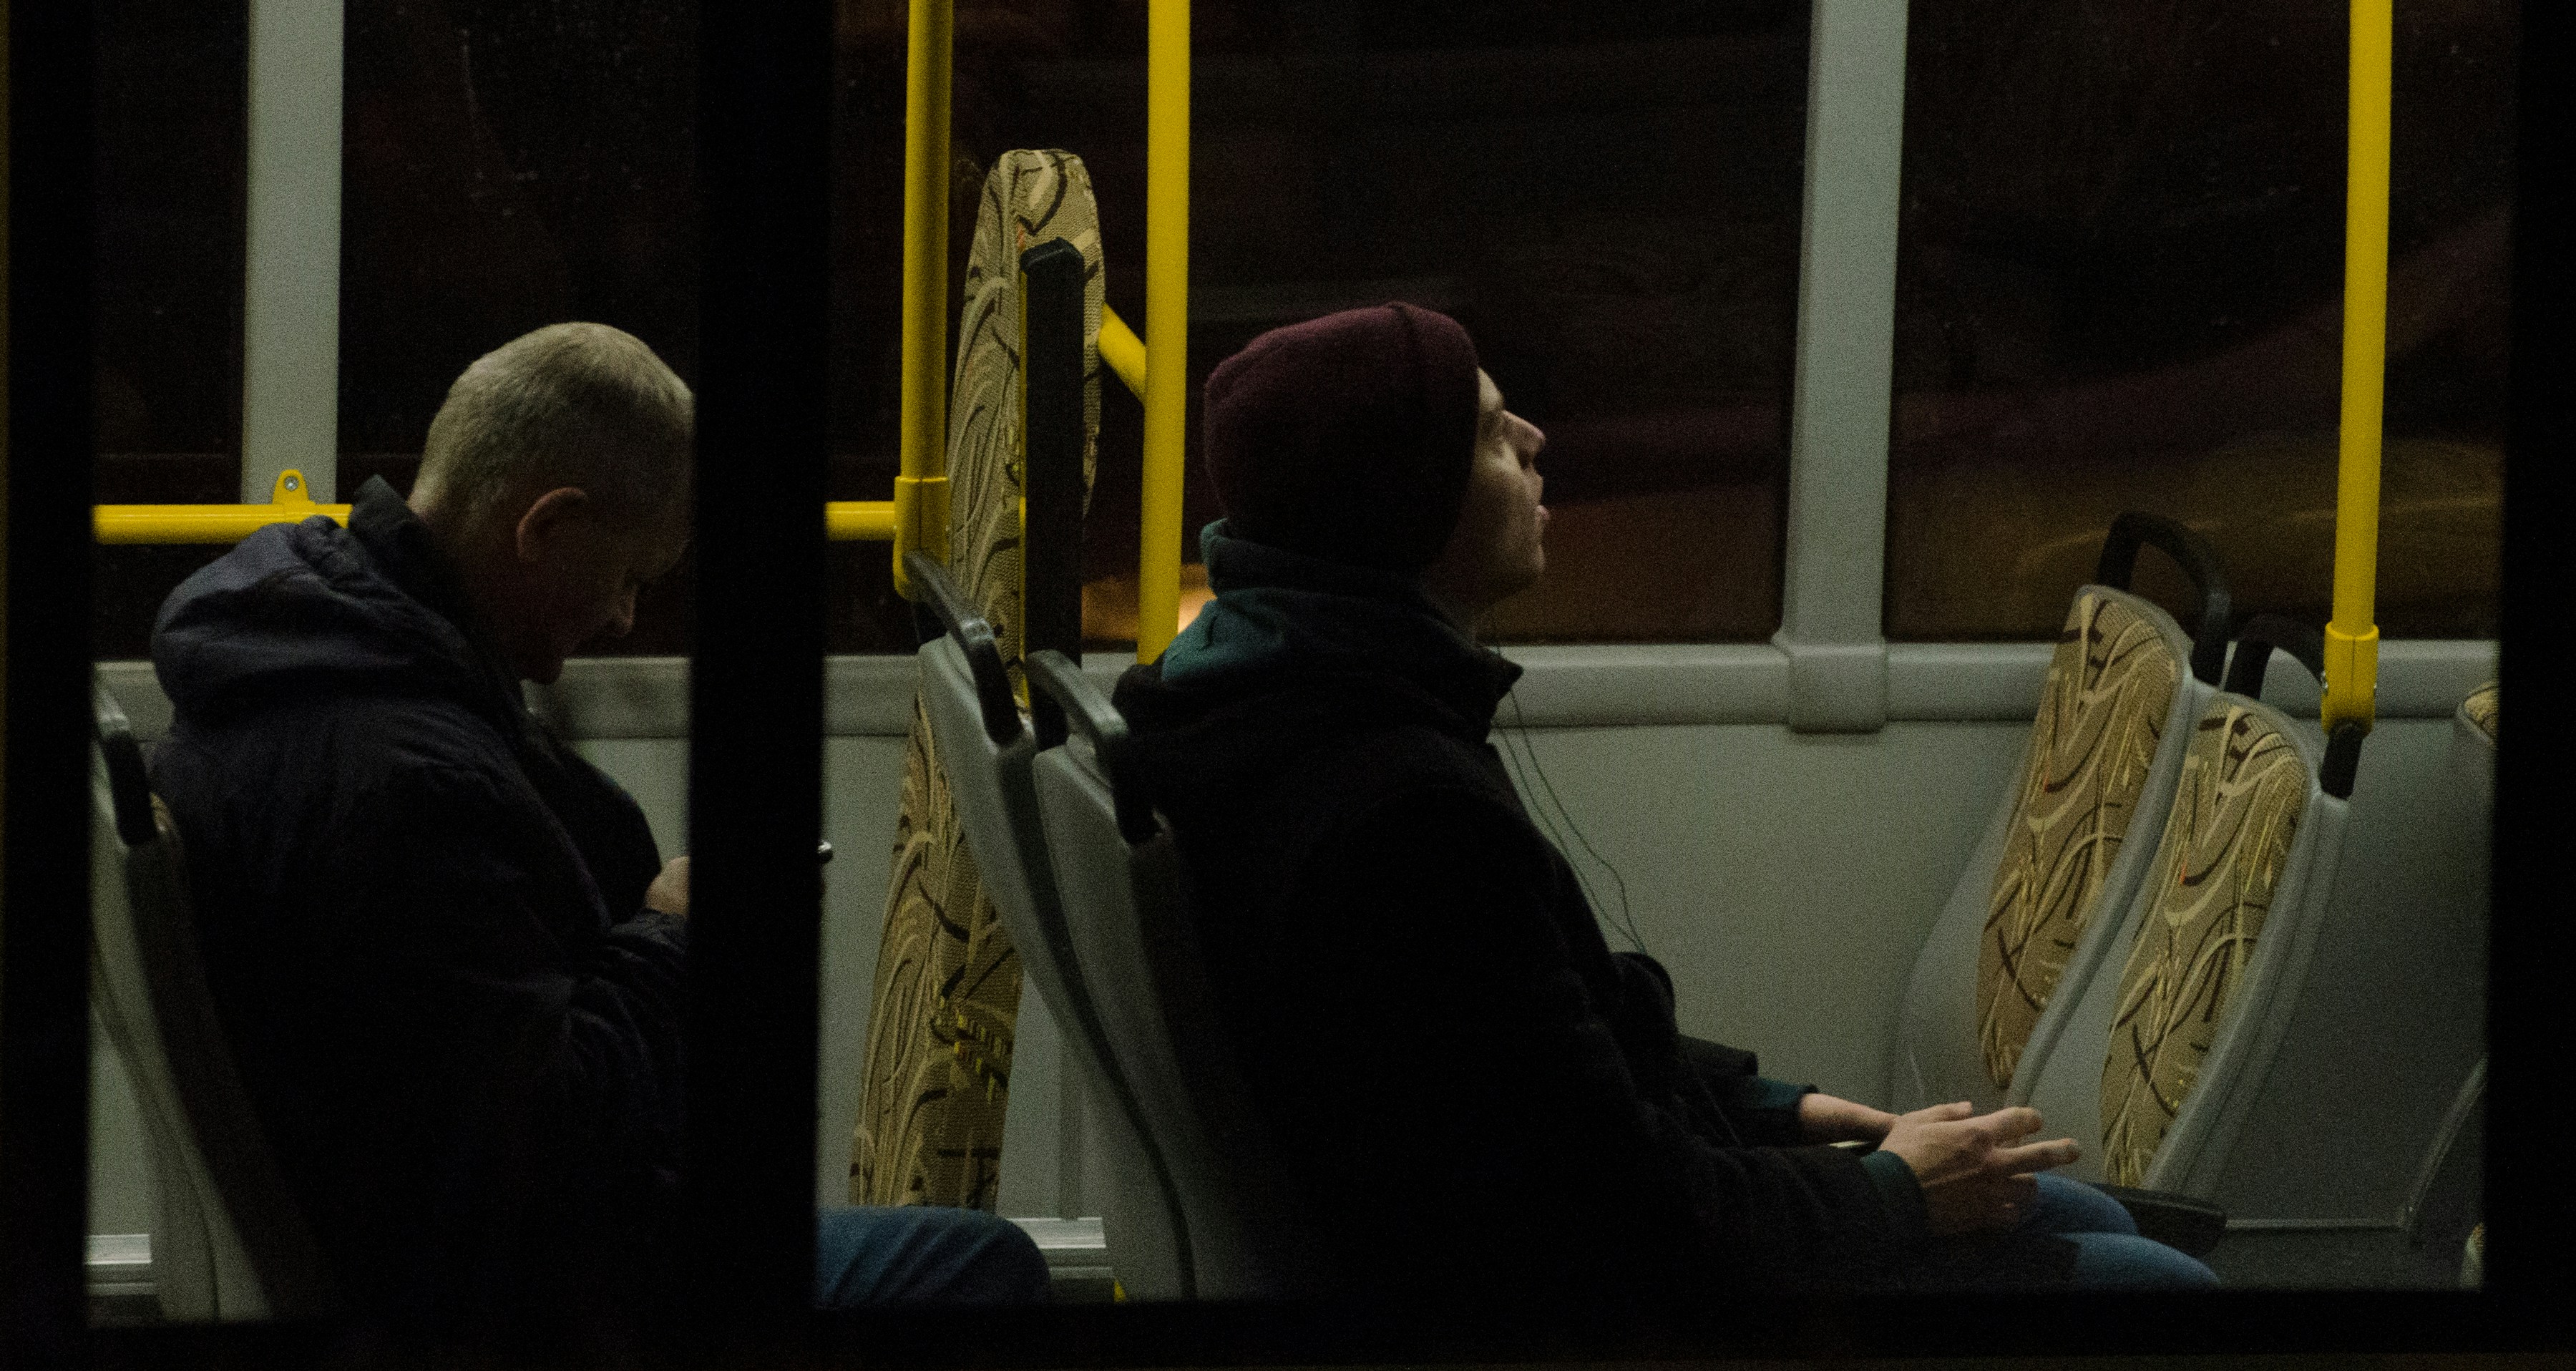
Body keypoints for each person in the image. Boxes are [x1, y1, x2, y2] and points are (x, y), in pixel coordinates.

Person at [1109, 303, 2218, 1316]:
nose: (1537, 440)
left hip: (1570, 1238)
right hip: (1580, 1300)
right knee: (2150, 1283)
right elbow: (1626, 1224)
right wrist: (1893, 1197)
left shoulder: (1291, 711)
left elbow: (1544, 1078)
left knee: (2083, 1215)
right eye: (1493, 434)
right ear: (1405, 503)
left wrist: (1792, 1114)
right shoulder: (1399, 817)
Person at [150, 323, 1045, 1343]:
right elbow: (536, 1148)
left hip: (389, 1240)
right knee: (979, 1262)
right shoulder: (404, 784)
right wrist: (668, 937)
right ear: (548, 527)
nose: (624, 618)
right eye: (628, 577)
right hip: (508, 1297)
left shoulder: (307, 668)